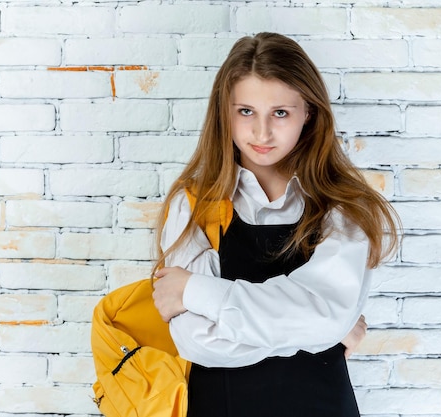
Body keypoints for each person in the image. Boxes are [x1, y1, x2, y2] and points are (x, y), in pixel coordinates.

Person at [152, 32, 399, 417]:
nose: (261, 133)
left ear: (309, 113)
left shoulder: (344, 205)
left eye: (280, 113)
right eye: (245, 111)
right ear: (224, 113)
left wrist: (198, 292)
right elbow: (199, 343)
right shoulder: (193, 203)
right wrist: (319, 333)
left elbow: (325, 318)